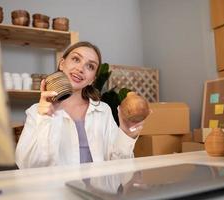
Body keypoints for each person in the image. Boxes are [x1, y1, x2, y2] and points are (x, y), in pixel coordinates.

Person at [15, 41, 144, 169]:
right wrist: (45, 119)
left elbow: (119, 167)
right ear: (62, 63)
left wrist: (127, 134)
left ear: (92, 79)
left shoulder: (103, 111)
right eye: (76, 59)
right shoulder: (36, 111)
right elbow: (27, 166)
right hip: (58, 190)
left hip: (98, 190)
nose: (80, 69)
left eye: (90, 66)